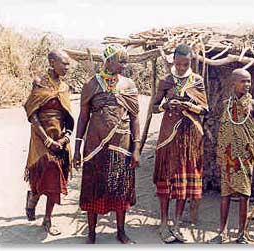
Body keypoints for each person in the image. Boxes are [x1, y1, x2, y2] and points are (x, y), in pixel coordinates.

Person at [73, 44, 140, 244]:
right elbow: (83, 118)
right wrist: (77, 149)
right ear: (108, 61)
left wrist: (136, 149)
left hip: (121, 145)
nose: (124, 66)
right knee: (93, 186)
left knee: (120, 187)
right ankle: (91, 233)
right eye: (121, 61)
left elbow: (135, 118)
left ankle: (120, 231)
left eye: (126, 62)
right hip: (95, 146)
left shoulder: (129, 85)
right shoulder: (91, 84)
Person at [152, 44, 208, 243]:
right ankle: (163, 222)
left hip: (190, 137)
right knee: (166, 178)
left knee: (184, 180)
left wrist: (189, 106)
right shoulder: (166, 81)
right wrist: (166, 105)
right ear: (173, 61)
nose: (182, 67)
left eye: (185, 64)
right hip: (169, 136)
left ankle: (176, 223)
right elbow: (153, 108)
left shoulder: (197, 81)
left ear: (190, 62)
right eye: (178, 63)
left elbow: (204, 109)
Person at [24, 49, 74, 236]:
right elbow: (32, 112)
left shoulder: (65, 87)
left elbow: (68, 117)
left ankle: (47, 219)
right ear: (52, 62)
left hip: (59, 137)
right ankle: (34, 196)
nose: (67, 67)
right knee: (43, 172)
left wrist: (66, 136)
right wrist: (46, 138)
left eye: (69, 64)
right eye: (64, 63)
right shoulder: (39, 83)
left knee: (55, 175)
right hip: (40, 136)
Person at [210, 68, 254, 244]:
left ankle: (241, 234)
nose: (247, 85)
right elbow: (221, 127)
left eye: (249, 81)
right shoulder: (226, 104)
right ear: (233, 83)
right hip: (227, 157)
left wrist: (244, 146)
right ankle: (222, 232)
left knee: (244, 195)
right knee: (225, 194)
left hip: (245, 157)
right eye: (243, 81)